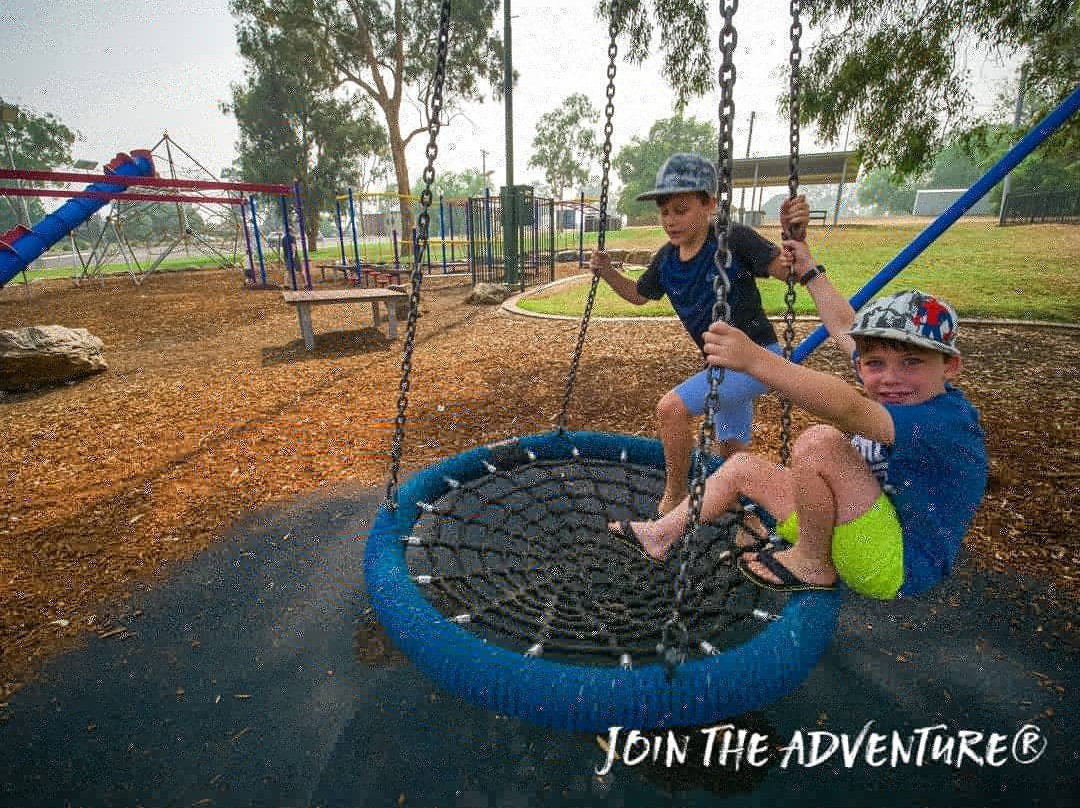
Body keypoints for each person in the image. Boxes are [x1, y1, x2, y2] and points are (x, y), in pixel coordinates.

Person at [609, 238, 988, 599]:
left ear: (950, 365)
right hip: (854, 529)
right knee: (740, 467)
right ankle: (660, 535)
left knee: (821, 444)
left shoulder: (948, 420)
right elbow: (842, 326)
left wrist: (757, 359)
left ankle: (810, 563)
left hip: (895, 563)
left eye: (912, 362)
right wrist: (810, 273)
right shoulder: (894, 384)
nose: (889, 377)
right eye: (874, 363)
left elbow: (850, 410)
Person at [591, 153, 810, 516]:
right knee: (733, 452)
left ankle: (675, 496)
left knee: (671, 409)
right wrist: (608, 272)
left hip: (758, 357)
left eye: (681, 209)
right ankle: (749, 523)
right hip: (723, 364)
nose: (670, 221)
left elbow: (788, 272)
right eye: (665, 212)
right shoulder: (666, 259)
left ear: (709, 204)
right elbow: (638, 296)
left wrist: (794, 236)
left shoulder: (733, 239)